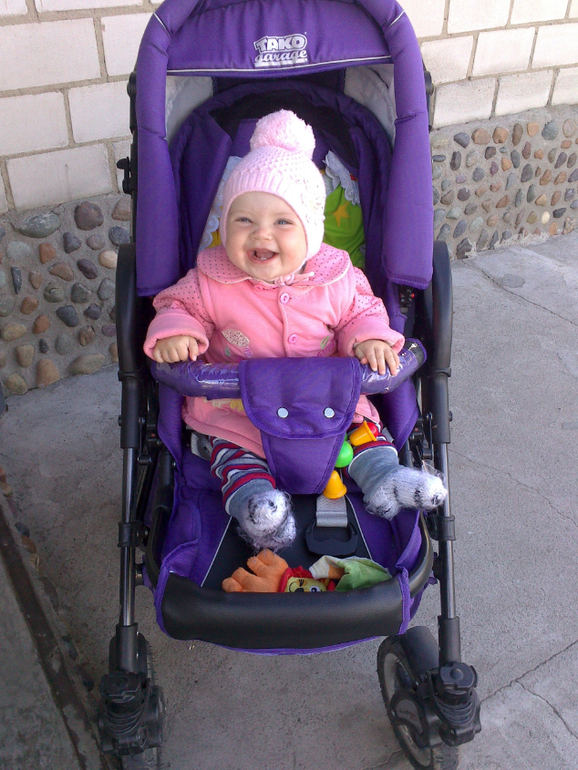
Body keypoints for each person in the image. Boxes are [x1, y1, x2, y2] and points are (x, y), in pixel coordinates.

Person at [144, 110, 446, 551]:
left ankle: (385, 477)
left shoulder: (336, 277)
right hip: (239, 411)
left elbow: (362, 311)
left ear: (312, 230)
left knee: (365, 433)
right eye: (243, 220)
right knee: (231, 455)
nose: (260, 234)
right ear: (225, 224)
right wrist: (177, 331)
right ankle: (257, 507)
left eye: (282, 222)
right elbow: (178, 305)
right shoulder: (211, 279)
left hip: (331, 406)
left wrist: (370, 338)